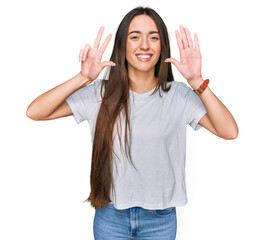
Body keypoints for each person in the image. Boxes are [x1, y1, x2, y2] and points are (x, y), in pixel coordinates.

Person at [26, 6, 238, 240]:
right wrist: (83, 78)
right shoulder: (100, 94)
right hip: (110, 216)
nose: (144, 45)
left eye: (153, 37)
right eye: (135, 36)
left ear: (162, 46)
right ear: (122, 45)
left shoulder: (179, 95)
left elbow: (229, 131)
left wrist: (197, 81)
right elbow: (36, 111)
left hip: (160, 219)